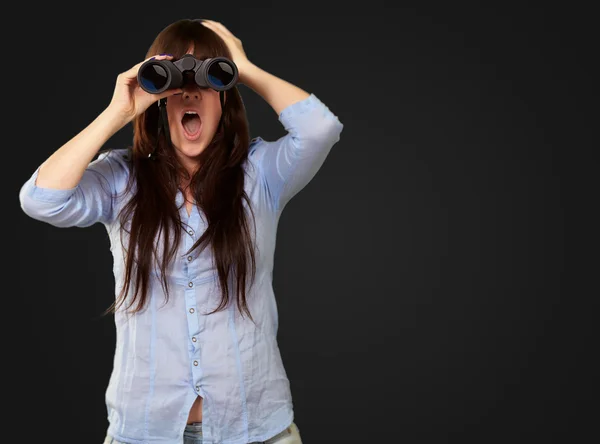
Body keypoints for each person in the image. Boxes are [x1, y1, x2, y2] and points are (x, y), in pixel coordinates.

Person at [19, 18, 343, 444]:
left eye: (208, 76)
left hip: (256, 429)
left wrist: (241, 67)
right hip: (144, 431)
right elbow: (40, 199)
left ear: (225, 99)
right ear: (160, 99)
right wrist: (118, 111)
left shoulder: (261, 175)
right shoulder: (122, 180)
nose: (190, 90)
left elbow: (321, 129)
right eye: (176, 79)